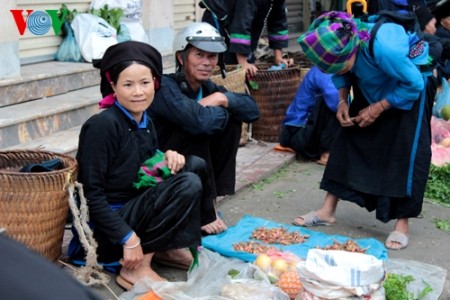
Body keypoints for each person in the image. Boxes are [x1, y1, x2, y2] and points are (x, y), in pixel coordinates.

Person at [71, 40, 216, 290]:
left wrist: (166, 155)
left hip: (134, 211)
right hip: (106, 233)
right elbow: (90, 195)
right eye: (128, 84)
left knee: (194, 165)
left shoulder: (144, 119)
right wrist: (128, 238)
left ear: (155, 84)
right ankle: (135, 269)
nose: (138, 91)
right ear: (113, 86)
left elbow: (141, 166)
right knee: (187, 183)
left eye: (145, 83)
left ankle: (168, 247)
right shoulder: (103, 126)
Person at [293, 11, 438, 251]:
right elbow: (341, 73)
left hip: (411, 82)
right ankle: (327, 210)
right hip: (373, 77)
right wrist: (342, 101)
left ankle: (402, 224)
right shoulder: (343, 45)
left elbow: (414, 84)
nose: (336, 71)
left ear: (351, 51)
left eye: (340, 66)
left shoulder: (385, 48)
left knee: (405, 149)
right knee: (348, 136)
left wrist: (378, 108)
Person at [147, 22, 260, 235]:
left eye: (212, 56)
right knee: (199, 127)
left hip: (190, 161)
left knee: (232, 122)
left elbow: (253, 111)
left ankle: (210, 203)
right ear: (182, 58)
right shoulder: (165, 87)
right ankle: (202, 207)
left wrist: (221, 98)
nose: (207, 63)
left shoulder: (209, 87)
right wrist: (217, 110)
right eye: (199, 55)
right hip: (162, 161)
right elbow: (199, 122)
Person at [201, 0, 293, 77]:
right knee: (226, 67)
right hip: (219, 17)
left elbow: (278, 20)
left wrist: (278, 57)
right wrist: (243, 63)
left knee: (248, 65)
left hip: (241, 19)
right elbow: (242, 23)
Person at [279, 65, 340, 165]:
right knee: (337, 104)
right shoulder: (324, 69)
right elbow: (336, 103)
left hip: (305, 132)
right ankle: (327, 153)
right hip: (299, 134)